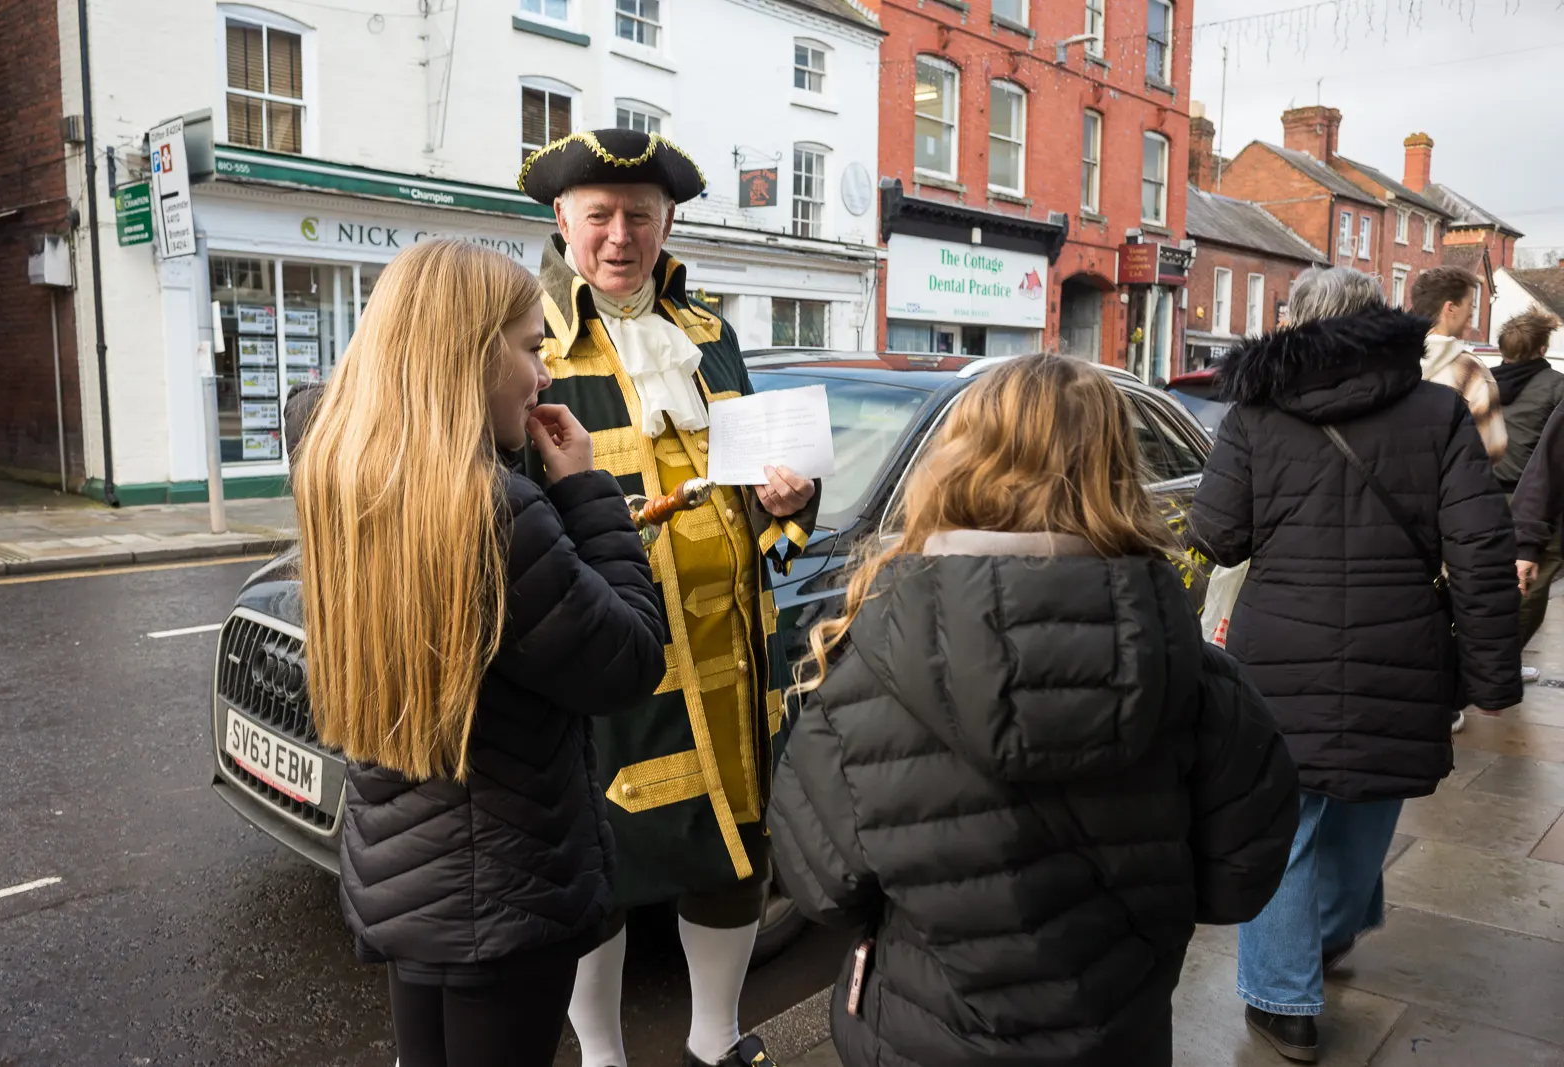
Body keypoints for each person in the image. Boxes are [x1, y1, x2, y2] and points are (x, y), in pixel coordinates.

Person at [766, 354, 1301, 1067]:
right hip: (1118, 1033)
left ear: (958, 460)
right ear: (1119, 468)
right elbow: (1243, 873)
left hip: (924, 1036)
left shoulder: (868, 670)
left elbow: (819, 885)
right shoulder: (1199, 678)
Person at [291, 239, 667, 1067]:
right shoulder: (494, 514)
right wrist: (585, 491)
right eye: (531, 347)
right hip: (503, 890)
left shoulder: (349, 472)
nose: (543, 376)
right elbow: (630, 658)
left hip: (406, 876)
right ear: (468, 352)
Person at [516, 129, 821, 1067]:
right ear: (563, 220)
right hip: (606, 658)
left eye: (640, 216)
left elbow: (762, 489)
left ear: (668, 221)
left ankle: (714, 1036)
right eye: (600, 216)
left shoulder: (712, 338)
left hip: (732, 658)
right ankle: (603, 1055)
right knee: (598, 874)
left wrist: (789, 503)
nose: (620, 236)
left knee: (732, 856)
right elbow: (505, 508)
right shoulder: (527, 346)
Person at [1191, 266, 1521, 1062]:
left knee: (1285, 820)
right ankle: (1327, 934)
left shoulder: (1255, 413)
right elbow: (1479, 549)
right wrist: (1491, 677)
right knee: (1371, 800)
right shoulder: (1437, 410)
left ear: (1296, 325)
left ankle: (1284, 998)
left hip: (1280, 651)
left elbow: (1219, 534)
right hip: (1401, 646)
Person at [1491, 308, 1564, 665]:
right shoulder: (1558, 387)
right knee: (1529, 585)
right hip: (1533, 501)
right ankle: (1500, 665)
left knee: (1479, 582)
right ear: (1542, 348)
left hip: (1479, 498)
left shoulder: (1481, 381)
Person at [1412, 265, 1507, 464]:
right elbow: (1493, 449)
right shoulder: (1472, 373)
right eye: (1470, 308)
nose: (1470, 321)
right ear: (1451, 308)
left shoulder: (1387, 360)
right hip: (1448, 489)